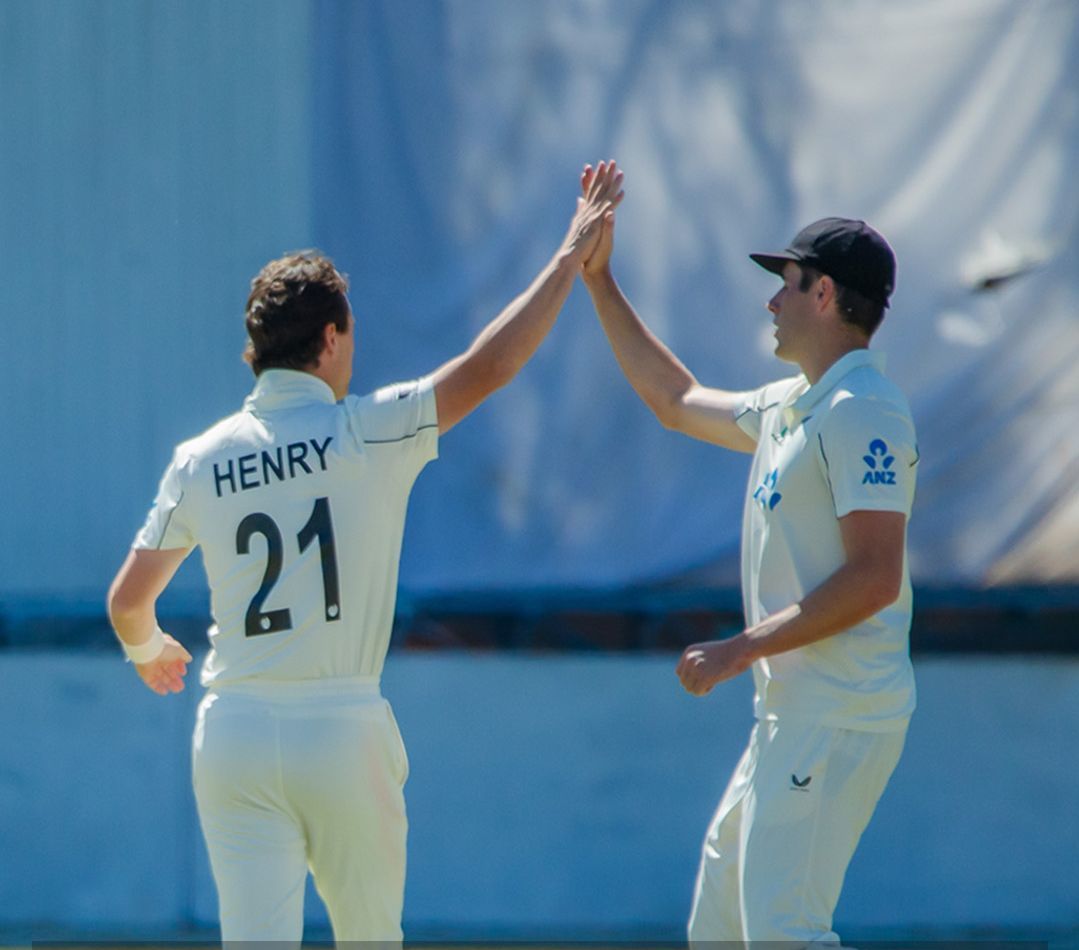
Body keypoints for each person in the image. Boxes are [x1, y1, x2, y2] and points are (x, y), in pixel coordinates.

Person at [105, 162, 624, 946]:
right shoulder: (367, 432)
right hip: (341, 728)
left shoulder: (199, 459)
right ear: (330, 337)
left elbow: (126, 603)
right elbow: (489, 367)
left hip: (235, 730)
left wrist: (146, 651)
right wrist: (568, 255)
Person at [579, 170, 916, 946]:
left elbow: (873, 577)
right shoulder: (790, 403)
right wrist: (600, 283)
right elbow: (672, 399)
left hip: (837, 713)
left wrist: (742, 648)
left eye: (787, 284)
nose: (771, 301)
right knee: (721, 928)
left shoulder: (863, 409)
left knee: (782, 932)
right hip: (790, 716)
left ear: (825, 295)